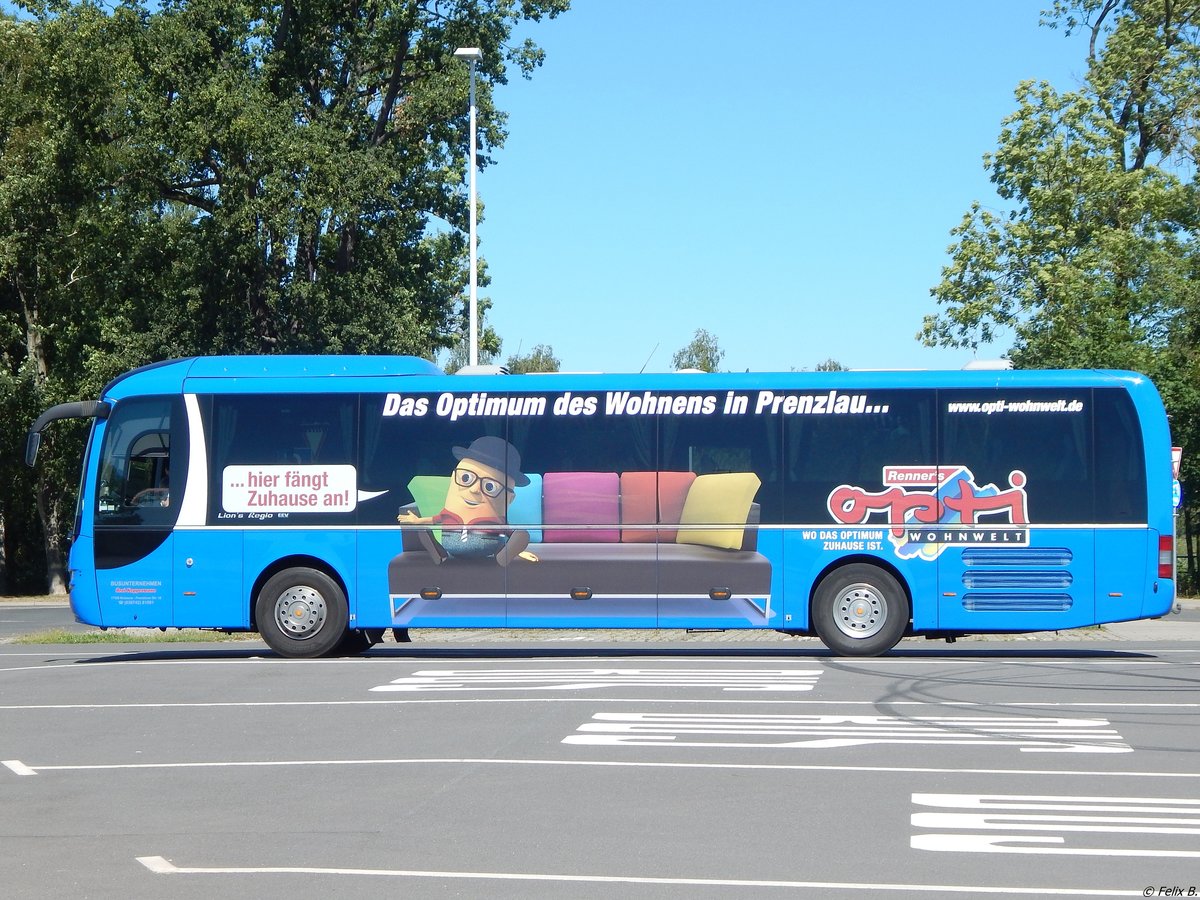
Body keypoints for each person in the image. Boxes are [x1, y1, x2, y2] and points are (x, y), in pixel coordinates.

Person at [398, 436, 537, 567]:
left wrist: (517, 550)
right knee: (423, 531)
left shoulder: (496, 521)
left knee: (522, 533)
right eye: (466, 478)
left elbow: (513, 535)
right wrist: (417, 520)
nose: (475, 489)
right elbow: (435, 520)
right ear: (453, 477)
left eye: (490, 486)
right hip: (450, 547)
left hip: (490, 550)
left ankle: (502, 558)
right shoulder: (448, 513)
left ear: (510, 498)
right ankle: (440, 555)